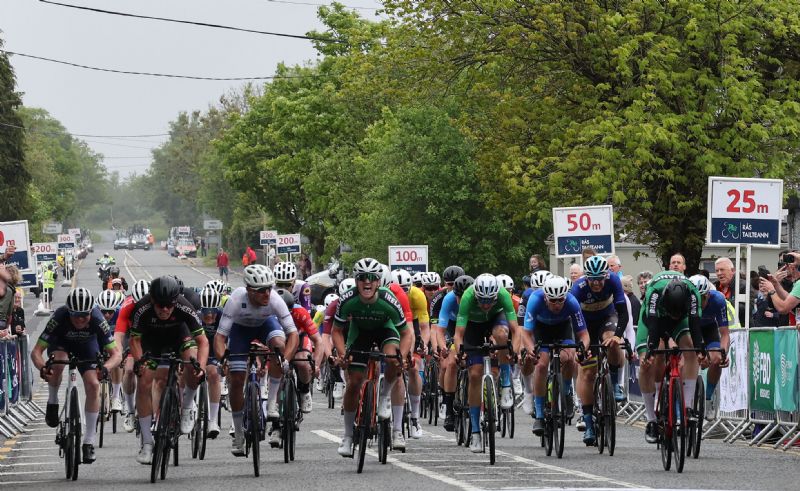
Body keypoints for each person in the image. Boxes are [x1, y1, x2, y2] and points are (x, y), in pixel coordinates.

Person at [213, 264, 298, 455]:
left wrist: (285, 359)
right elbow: (219, 337)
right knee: (236, 379)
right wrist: (223, 358)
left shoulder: (275, 299)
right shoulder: (236, 299)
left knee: (279, 346)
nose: (267, 293)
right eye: (261, 290)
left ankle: (272, 403)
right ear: (249, 290)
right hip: (240, 331)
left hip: (264, 325)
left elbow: (293, 334)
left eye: (269, 288)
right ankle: (239, 434)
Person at [31, 287, 122, 464]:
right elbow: (36, 352)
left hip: (87, 346)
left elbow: (116, 354)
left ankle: (88, 442)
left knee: (94, 385)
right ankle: (52, 402)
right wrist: (43, 367)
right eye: (76, 315)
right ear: (69, 312)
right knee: (57, 365)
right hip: (61, 344)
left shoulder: (97, 318)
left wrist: (105, 368)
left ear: (90, 312)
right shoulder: (59, 316)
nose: (80, 319)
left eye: (84, 315)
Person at [332, 258, 412, 457]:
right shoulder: (348, 299)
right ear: (356, 280)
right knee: (354, 382)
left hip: (386, 331)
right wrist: (342, 355)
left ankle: (384, 396)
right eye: (362, 278)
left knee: (393, 359)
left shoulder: (388, 300)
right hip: (360, 334)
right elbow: (336, 331)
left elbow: (407, 333)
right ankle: (348, 436)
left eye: (372, 278)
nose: (367, 282)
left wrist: (402, 357)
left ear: (378, 282)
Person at [129, 276, 208, 464]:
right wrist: (140, 362)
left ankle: (188, 406)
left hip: (179, 335)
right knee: (144, 380)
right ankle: (147, 443)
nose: (165, 309)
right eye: (160, 305)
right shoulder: (142, 308)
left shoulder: (183, 305)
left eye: (169, 306)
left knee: (193, 362)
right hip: (151, 340)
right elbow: (135, 341)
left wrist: (202, 368)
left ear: (175, 301)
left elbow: (203, 342)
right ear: (152, 301)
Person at [635, 270, 704, 444]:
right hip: (655, 318)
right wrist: (649, 349)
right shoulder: (654, 292)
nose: (674, 313)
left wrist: (700, 350)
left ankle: (687, 407)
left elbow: (695, 324)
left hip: (682, 320)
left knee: (690, 348)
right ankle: (651, 420)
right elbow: (651, 324)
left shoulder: (693, 293)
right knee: (647, 361)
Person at [454, 273, 518, 453]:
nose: (486, 304)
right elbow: (459, 333)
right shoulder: (467, 297)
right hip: (473, 326)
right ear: (476, 295)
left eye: (490, 300)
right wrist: (460, 352)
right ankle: (475, 431)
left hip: (495, 320)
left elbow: (516, 329)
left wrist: (514, 351)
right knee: (475, 374)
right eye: (482, 300)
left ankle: (506, 384)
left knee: (503, 336)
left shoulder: (504, 295)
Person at [522, 276, 589, 436]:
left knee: (568, 358)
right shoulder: (535, 299)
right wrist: (531, 349)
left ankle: (566, 392)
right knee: (541, 364)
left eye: (560, 300)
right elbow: (526, 333)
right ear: (545, 297)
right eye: (553, 300)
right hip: (541, 330)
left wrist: (582, 349)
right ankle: (539, 414)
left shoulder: (572, 302)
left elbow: (584, 334)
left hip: (562, 328)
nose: (557, 304)